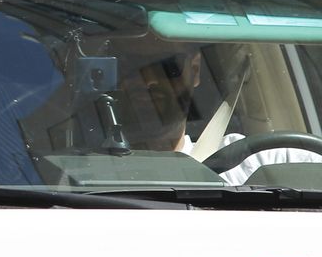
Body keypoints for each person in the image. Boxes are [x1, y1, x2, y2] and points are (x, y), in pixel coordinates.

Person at [114, 46, 322, 184]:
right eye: (131, 67)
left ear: (194, 70)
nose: (148, 80)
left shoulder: (261, 163)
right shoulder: (85, 173)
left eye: (168, 67)